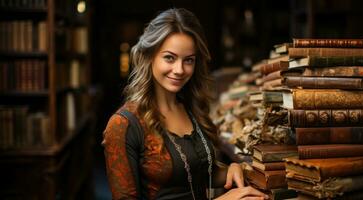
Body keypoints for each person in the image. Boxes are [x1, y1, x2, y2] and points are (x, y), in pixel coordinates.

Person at [102, 8, 269, 200]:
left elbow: (194, 173)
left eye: (188, 60)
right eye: (169, 58)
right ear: (149, 56)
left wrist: (231, 169)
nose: (179, 70)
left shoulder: (191, 108)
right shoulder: (123, 125)